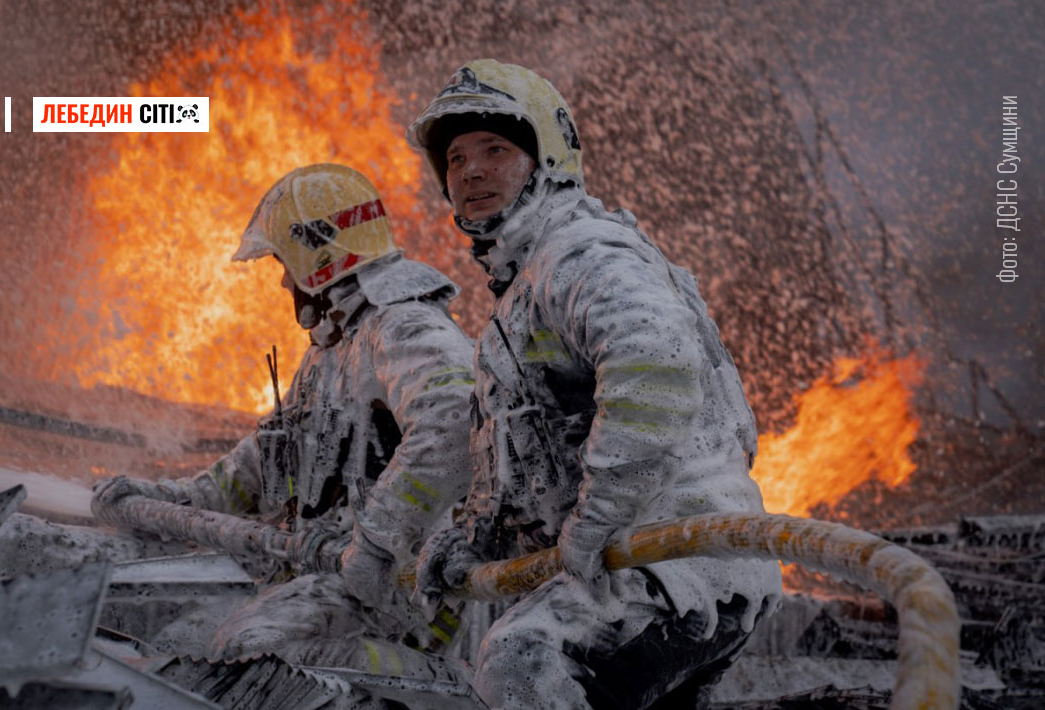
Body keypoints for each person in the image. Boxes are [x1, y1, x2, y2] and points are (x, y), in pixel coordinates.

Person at [406, 60, 782, 709]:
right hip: (666, 570)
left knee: (524, 659)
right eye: (457, 157)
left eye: (495, 149)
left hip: (668, 565)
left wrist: (599, 520)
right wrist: (466, 541)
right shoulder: (527, 287)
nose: (469, 171)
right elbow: (530, 461)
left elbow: (655, 370)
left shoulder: (582, 253)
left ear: (548, 159)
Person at [92, 163, 476, 676]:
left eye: (284, 262)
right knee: (203, 636)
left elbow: (453, 424)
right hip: (330, 570)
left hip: (404, 595)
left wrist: (377, 543)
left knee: (255, 649)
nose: (281, 280)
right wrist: (176, 500)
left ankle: (453, 687)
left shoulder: (402, 326)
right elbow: (268, 457)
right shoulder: (336, 344)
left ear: (314, 255)